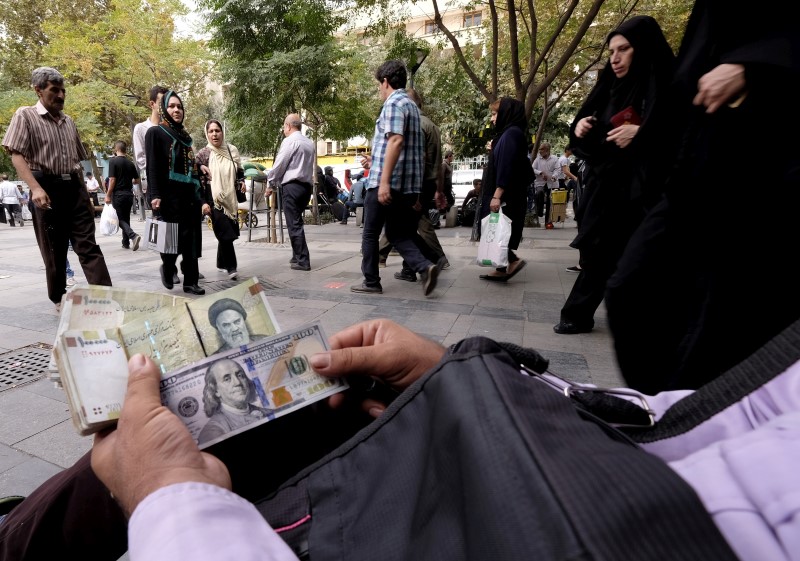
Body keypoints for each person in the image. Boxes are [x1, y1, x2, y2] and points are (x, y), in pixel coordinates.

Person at [2, 317, 789, 560]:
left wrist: (170, 502)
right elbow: (682, 422)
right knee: (304, 408)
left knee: (126, 471)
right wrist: (479, 385)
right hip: (535, 476)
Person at [605, 2, 800, 393]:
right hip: (691, 179)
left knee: (731, 321)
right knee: (630, 289)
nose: (615, 59)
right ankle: (674, 408)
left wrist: (754, 66)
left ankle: (694, 419)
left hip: (762, 177)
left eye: (623, 49)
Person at [553, 15, 676, 335]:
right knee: (600, 253)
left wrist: (643, 132)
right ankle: (578, 314)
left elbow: (682, 134)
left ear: (643, 49)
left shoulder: (667, 83)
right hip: (610, 190)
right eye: (611, 52)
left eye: (624, 49)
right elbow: (592, 133)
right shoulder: (611, 87)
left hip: (648, 191)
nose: (616, 58)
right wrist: (581, 128)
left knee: (641, 258)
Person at [1, 66, 112, 311]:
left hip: (73, 187)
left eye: (63, 91)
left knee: (88, 244)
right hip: (45, 186)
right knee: (54, 247)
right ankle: (58, 297)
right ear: (38, 90)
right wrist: (35, 188)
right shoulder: (25, 115)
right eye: (54, 90)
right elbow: (16, 154)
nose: (61, 96)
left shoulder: (69, 121)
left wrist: (83, 192)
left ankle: (105, 296)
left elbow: (78, 161)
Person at [351, 60, 443, 296]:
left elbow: (396, 141)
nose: (379, 91)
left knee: (371, 233)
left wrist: (383, 181)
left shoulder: (393, 103)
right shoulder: (412, 106)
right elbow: (414, 151)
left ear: (385, 81)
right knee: (397, 232)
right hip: (408, 185)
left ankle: (371, 281)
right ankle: (425, 266)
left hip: (387, 183)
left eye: (378, 85)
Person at [378, 87, 449, 281]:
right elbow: (438, 162)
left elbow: (418, 157)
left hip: (415, 182)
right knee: (410, 226)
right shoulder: (432, 125)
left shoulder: (414, 125)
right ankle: (418, 265)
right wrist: (439, 189)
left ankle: (429, 261)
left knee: (401, 228)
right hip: (428, 183)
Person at [145, 89, 206, 296]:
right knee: (171, 239)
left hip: (188, 195)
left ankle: (191, 281)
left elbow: (190, 165)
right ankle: (168, 267)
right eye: (171, 106)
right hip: (168, 195)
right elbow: (152, 166)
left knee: (191, 241)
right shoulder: (155, 132)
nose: (176, 110)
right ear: (163, 109)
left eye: (179, 106)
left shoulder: (185, 137)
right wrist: (155, 195)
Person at [477, 97, 531, 282]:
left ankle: (512, 260)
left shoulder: (511, 134)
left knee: (498, 228)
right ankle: (501, 268)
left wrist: (497, 195)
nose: (492, 119)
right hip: (504, 193)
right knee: (497, 229)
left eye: (494, 114)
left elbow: (507, 166)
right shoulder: (508, 134)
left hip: (504, 194)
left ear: (506, 113)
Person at [266, 114, 316, 271]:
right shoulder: (309, 143)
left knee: (293, 223)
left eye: (283, 126)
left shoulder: (290, 141)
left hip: (292, 187)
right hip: (306, 187)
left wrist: (270, 183)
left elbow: (280, 164)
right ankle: (296, 255)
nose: (283, 129)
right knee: (296, 221)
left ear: (288, 126)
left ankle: (303, 260)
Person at [196, 120, 243, 279]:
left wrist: (242, 182)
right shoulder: (203, 154)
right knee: (226, 234)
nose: (214, 134)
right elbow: (196, 181)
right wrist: (202, 202)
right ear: (207, 134)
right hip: (213, 200)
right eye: (211, 131)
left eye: (217, 130)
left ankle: (221, 263)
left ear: (222, 132)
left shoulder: (231, 150)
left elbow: (239, 170)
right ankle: (231, 267)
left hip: (230, 198)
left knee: (227, 233)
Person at [197, 358, 272, 445]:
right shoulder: (212, 431)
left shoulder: (269, 413)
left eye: (240, 375)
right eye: (227, 379)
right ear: (216, 391)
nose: (237, 382)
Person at [133, 86, 168, 222]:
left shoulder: (169, 128)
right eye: (161, 102)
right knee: (161, 226)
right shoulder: (141, 129)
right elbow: (141, 160)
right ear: (152, 104)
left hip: (172, 185)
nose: (165, 106)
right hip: (156, 185)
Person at [105, 140, 142, 251]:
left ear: (116, 150)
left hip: (119, 194)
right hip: (129, 194)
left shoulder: (113, 162)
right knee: (126, 218)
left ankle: (133, 236)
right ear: (125, 150)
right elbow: (137, 180)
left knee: (118, 218)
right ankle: (125, 243)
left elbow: (112, 180)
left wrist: (108, 194)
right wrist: (129, 181)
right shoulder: (130, 163)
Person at [531, 142, 560, 228]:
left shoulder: (554, 159)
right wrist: (540, 173)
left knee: (549, 202)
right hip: (540, 182)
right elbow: (532, 169)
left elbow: (557, 169)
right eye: (539, 149)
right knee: (539, 193)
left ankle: (548, 222)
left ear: (547, 151)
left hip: (551, 183)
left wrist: (554, 176)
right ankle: (539, 211)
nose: (540, 151)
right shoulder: (538, 159)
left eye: (541, 149)